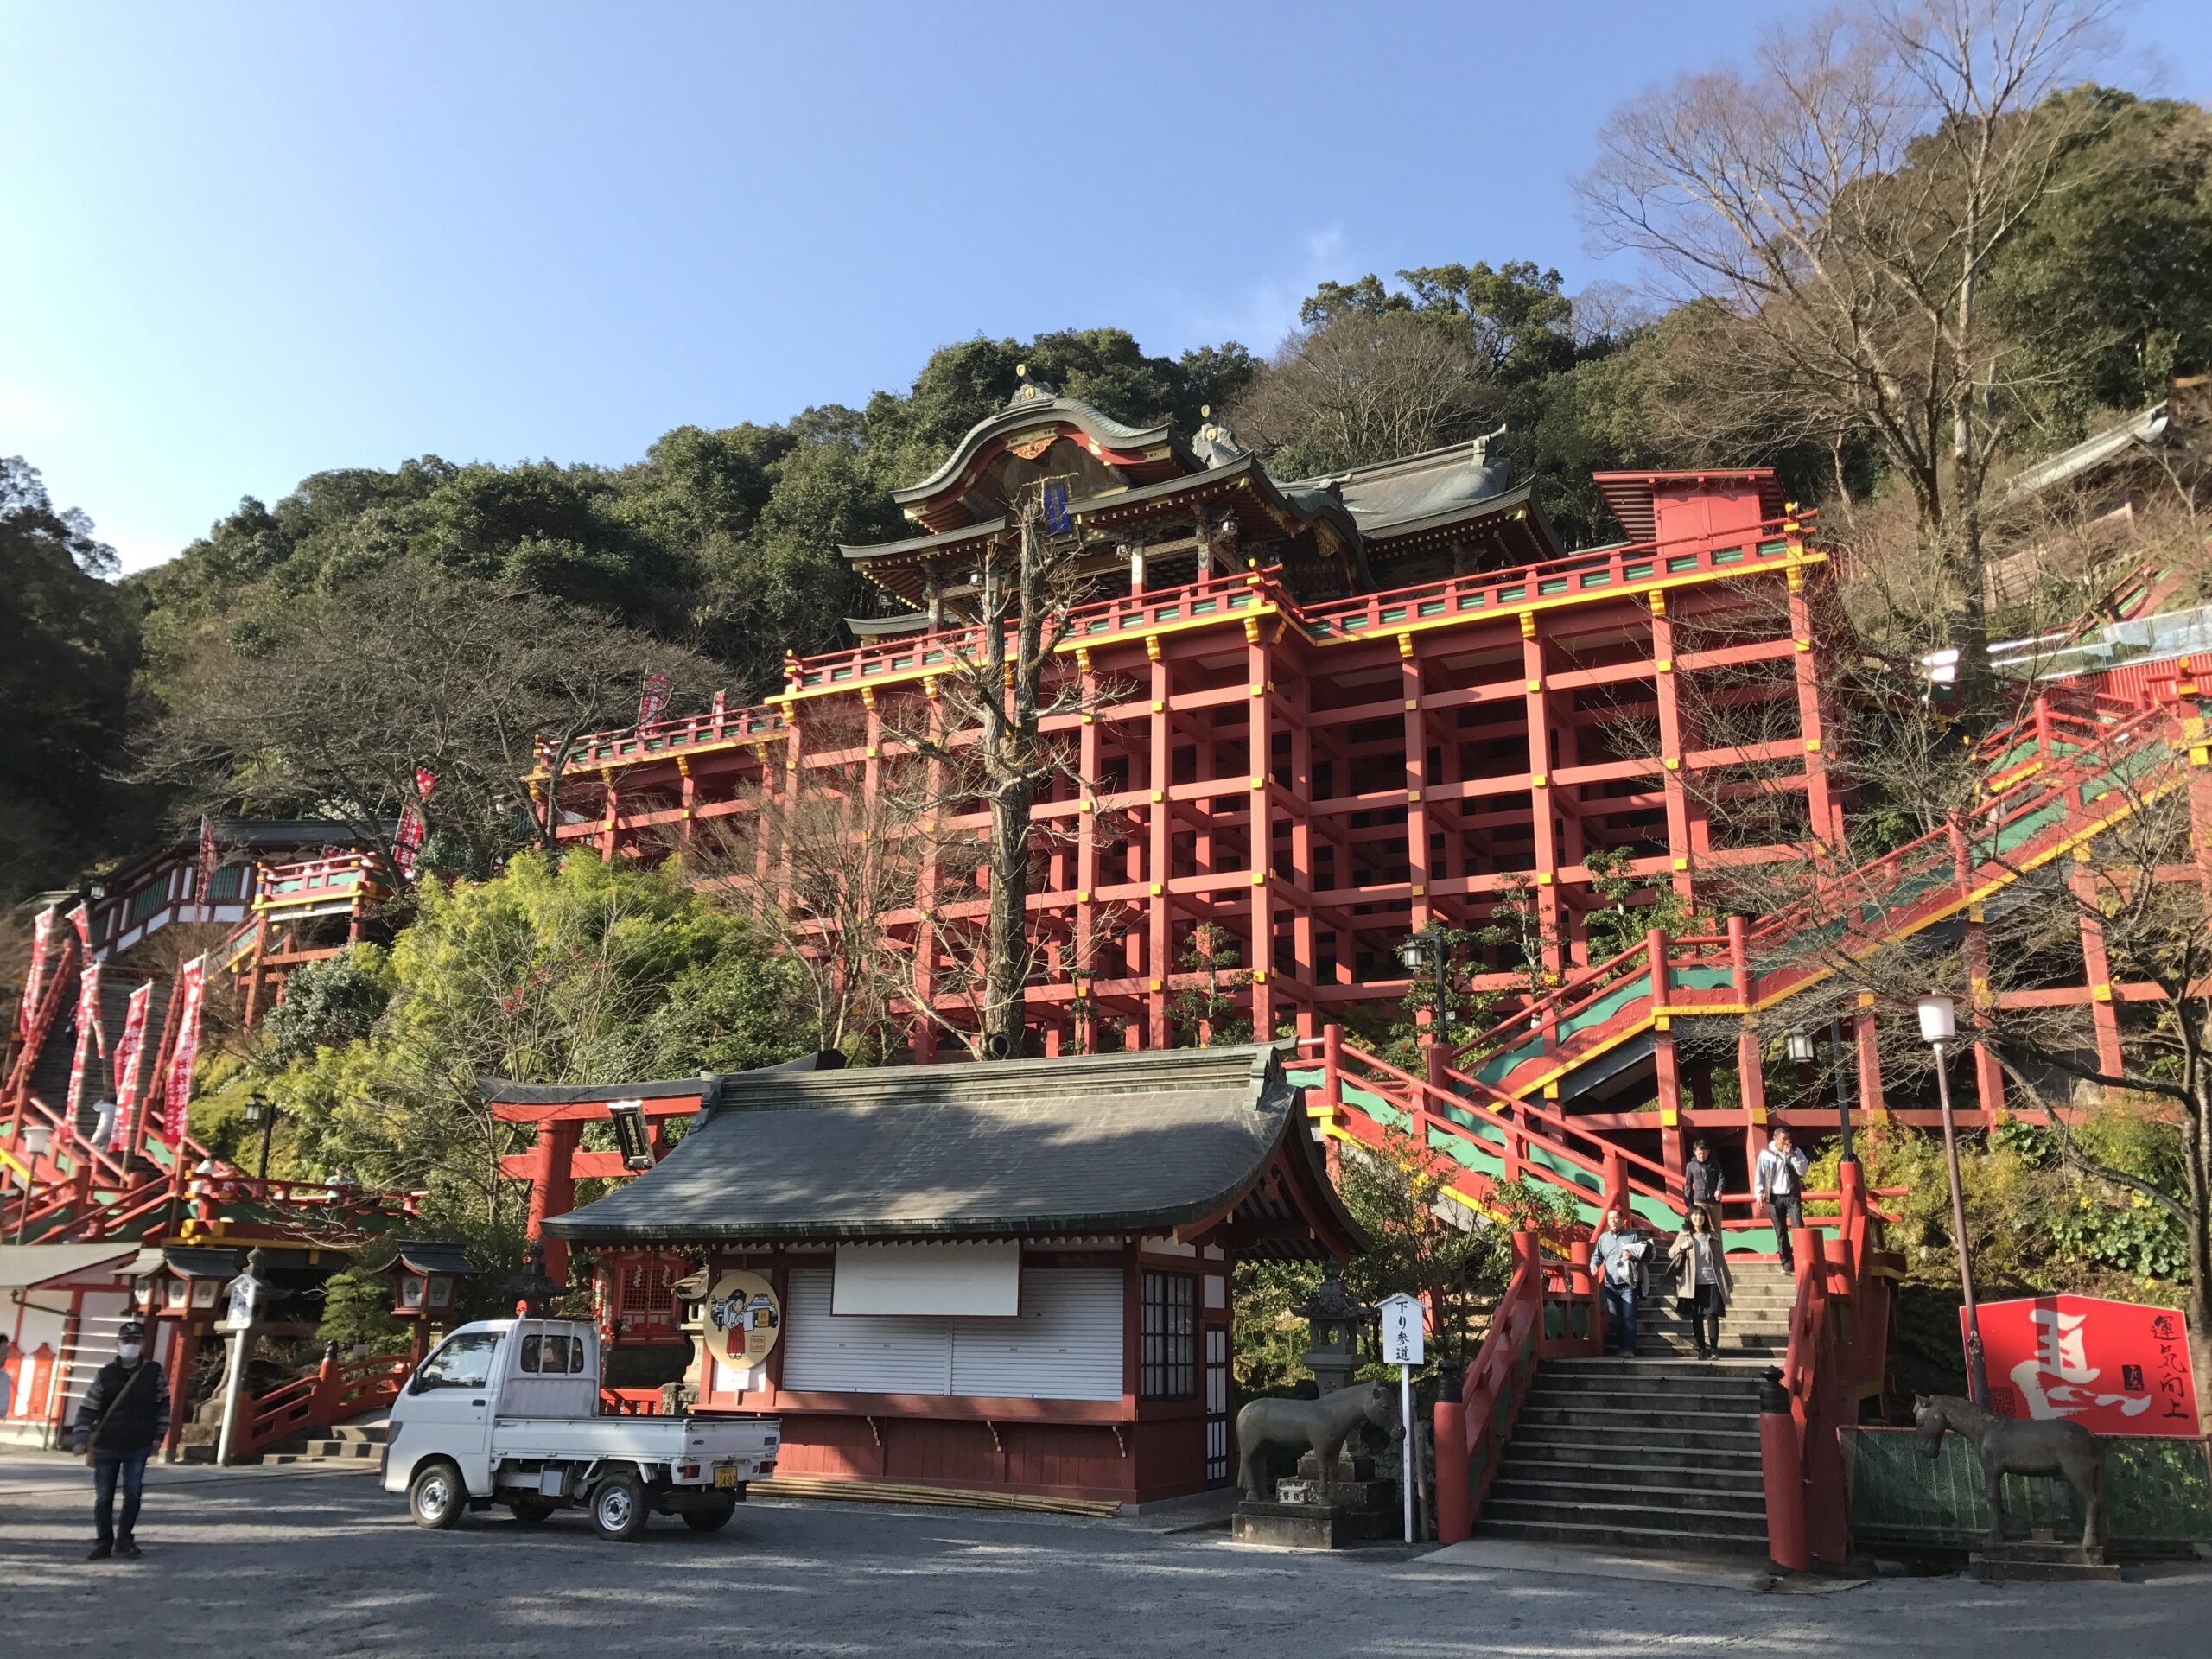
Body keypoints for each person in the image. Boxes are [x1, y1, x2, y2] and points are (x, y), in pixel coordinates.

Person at [72, 1319, 169, 1561]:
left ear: (143, 1344)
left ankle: (125, 1540)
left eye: (135, 1341)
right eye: (126, 1341)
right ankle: (103, 1541)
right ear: (117, 1343)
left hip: (138, 1442)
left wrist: (159, 1436)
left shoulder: (153, 1372)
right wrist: (81, 1437)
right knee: (104, 1496)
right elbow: (88, 1407)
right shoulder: (105, 1374)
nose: (130, 1346)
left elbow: (164, 1406)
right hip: (106, 1443)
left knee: (133, 1493)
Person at [1669, 1206, 1733, 1360]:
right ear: (1690, 1218)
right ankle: (1702, 1349)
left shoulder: (1712, 1235)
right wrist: (1681, 1247)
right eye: (1695, 1215)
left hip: (1712, 1281)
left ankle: (1714, 1349)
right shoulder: (1685, 1235)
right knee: (1697, 1317)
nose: (1699, 1218)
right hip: (1693, 1283)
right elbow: (1671, 1253)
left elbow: (1721, 1260)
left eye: (1701, 1215)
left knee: (1712, 1316)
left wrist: (1728, 1280)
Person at [1591, 1205, 1649, 1359]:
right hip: (1610, 1283)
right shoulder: (1603, 1238)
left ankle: (1629, 1348)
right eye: (1610, 1218)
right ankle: (1620, 1347)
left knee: (1628, 1316)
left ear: (1623, 1220)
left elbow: (1642, 1255)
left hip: (1628, 1283)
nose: (1613, 1221)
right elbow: (1597, 1256)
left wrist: (1631, 1256)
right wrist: (1594, 1265)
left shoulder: (1632, 1236)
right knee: (1615, 1318)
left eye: (1616, 1218)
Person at [1754, 1127, 1810, 1268]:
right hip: (1774, 1196)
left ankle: (1802, 1257)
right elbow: (1759, 1175)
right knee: (1780, 1230)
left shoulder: (1796, 1152)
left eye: (1788, 1139)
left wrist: (1792, 1155)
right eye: (1784, 1139)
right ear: (1775, 1139)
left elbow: (1803, 1171)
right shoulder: (1766, 1154)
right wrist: (1759, 1193)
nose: (1787, 1142)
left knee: (1798, 1226)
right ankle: (1786, 1261)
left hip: (1792, 1195)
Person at [1681, 1135, 1725, 1233]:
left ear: (1708, 1152)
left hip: (1714, 1201)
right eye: (1699, 1154)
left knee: (1717, 1230)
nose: (1702, 1156)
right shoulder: (1690, 1166)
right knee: (1700, 1228)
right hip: (1699, 1200)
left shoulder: (1715, 1163)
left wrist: (1720, 1189)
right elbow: (1688, 1185)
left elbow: (1721, 1178)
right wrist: (1688, 1203)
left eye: (1704, 1154)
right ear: (1694, 1152)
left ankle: (1718, 1248)